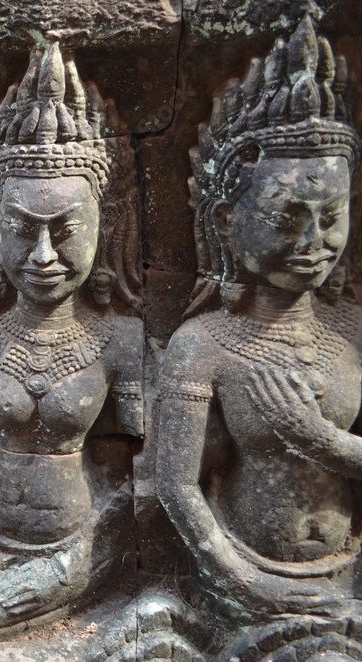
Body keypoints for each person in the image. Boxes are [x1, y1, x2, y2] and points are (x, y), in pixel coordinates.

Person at [158, 16, 362, 617]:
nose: (314, 241)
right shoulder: (203, 344)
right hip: (243, 576)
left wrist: (323, 442)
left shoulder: (353, 332)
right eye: (286, 218)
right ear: (227, 222)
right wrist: (243, 580)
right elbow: (177, 486)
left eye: (332, 217)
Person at [0, 42, 144, 638]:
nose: (43, 257)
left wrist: (85, 553)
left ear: (105, 228)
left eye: (65, 231)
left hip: (83, 541)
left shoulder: (120, 338)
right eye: (21, 230)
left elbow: (142, 469)